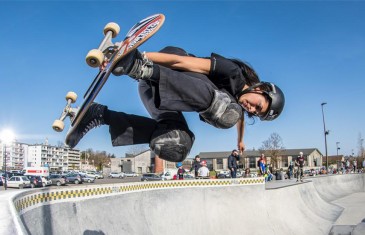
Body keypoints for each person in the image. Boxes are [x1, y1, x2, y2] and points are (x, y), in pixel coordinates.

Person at [66, 46, 285, 164]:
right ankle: (139, 67)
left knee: (177, 144)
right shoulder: (233, 73)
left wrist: (241, 141)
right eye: (258, 105)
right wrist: (139, 60)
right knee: (227, 110)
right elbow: (185, 63)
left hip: (155, 92)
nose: (251, 109)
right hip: (165, 66)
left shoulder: (239, 106)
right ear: (260, 89)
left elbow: (240, 119)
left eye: (256, 113)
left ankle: (99, 115)